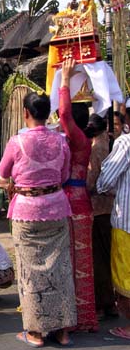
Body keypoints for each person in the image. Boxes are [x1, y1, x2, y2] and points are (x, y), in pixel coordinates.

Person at [0, 90, 76, 347]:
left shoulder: (16, 142)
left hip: (26, 211)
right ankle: (62, 331)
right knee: (60, 270)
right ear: (47, 113)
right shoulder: (61, 140)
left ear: (25, 113)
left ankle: (35, 332)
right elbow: (64, 175)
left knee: (30, 273)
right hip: (56, 208)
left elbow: (2, 171)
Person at [59, 58, 98, 332]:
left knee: (71, 261)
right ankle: (86, 318)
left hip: (70, 203)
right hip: (82, 201)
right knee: (83, 262)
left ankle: (74, 318)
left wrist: (64, 81)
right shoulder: (84, 141)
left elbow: (63, 116)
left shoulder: (77, 139)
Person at [97, 132, 130, 340]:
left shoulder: (125, 142)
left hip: (127, 220)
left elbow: (107, 178)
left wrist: (99, 187)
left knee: (126, 276)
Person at [86, 114, 117, 318]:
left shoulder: (96, 149)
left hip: (98, 209)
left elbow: (90, 182)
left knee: (98, 258)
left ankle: (102, 302)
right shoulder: (114, 143)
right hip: (114, 208)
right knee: (110, 256)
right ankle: (112, 302)